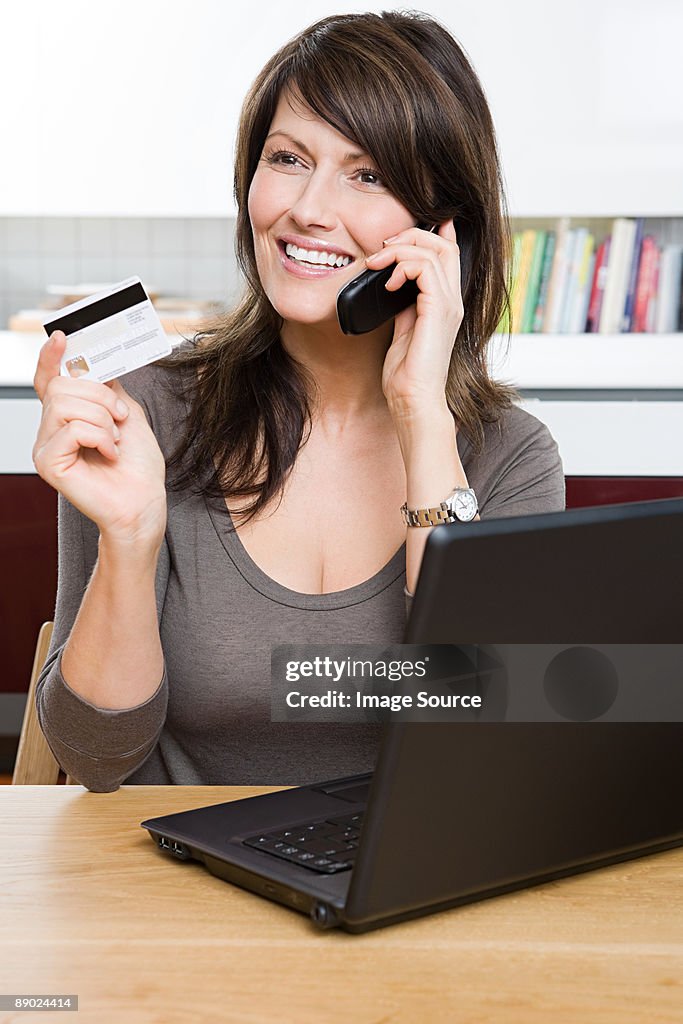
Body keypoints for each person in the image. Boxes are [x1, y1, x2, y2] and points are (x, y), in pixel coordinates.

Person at [32, 11, 565, 792]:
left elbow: (485, 733)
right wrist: (132, 533)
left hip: (407, 893)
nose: (309, 210)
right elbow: (94, 759)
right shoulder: (141, 412)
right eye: (287, 159)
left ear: (440, 230)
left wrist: (422, 419)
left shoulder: (508, 455)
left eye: (368, 175)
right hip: (177, 892)